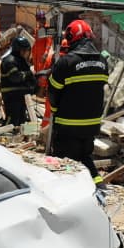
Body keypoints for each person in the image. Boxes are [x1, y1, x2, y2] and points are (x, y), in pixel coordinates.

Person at [48, 19, 110, 189]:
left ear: (71, 37)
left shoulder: (66, 62)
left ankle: (67, 194)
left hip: (68, 125)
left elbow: (53, 92)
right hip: (92, 125)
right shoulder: (102, 62)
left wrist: (55, 111)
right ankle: (98, 187)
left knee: (63, 163)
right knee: (85, 157)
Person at [0, 35, 36, 125]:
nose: (27, 53)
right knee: (12, 120)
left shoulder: (20, 60)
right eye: (25, 50)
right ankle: (7, 132)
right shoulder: (9, 61)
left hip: (20, 95)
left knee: (21, 120)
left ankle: (17, 133)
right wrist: (30, 73)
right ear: (19, 50)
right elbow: (15, 77)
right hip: (11, 96)